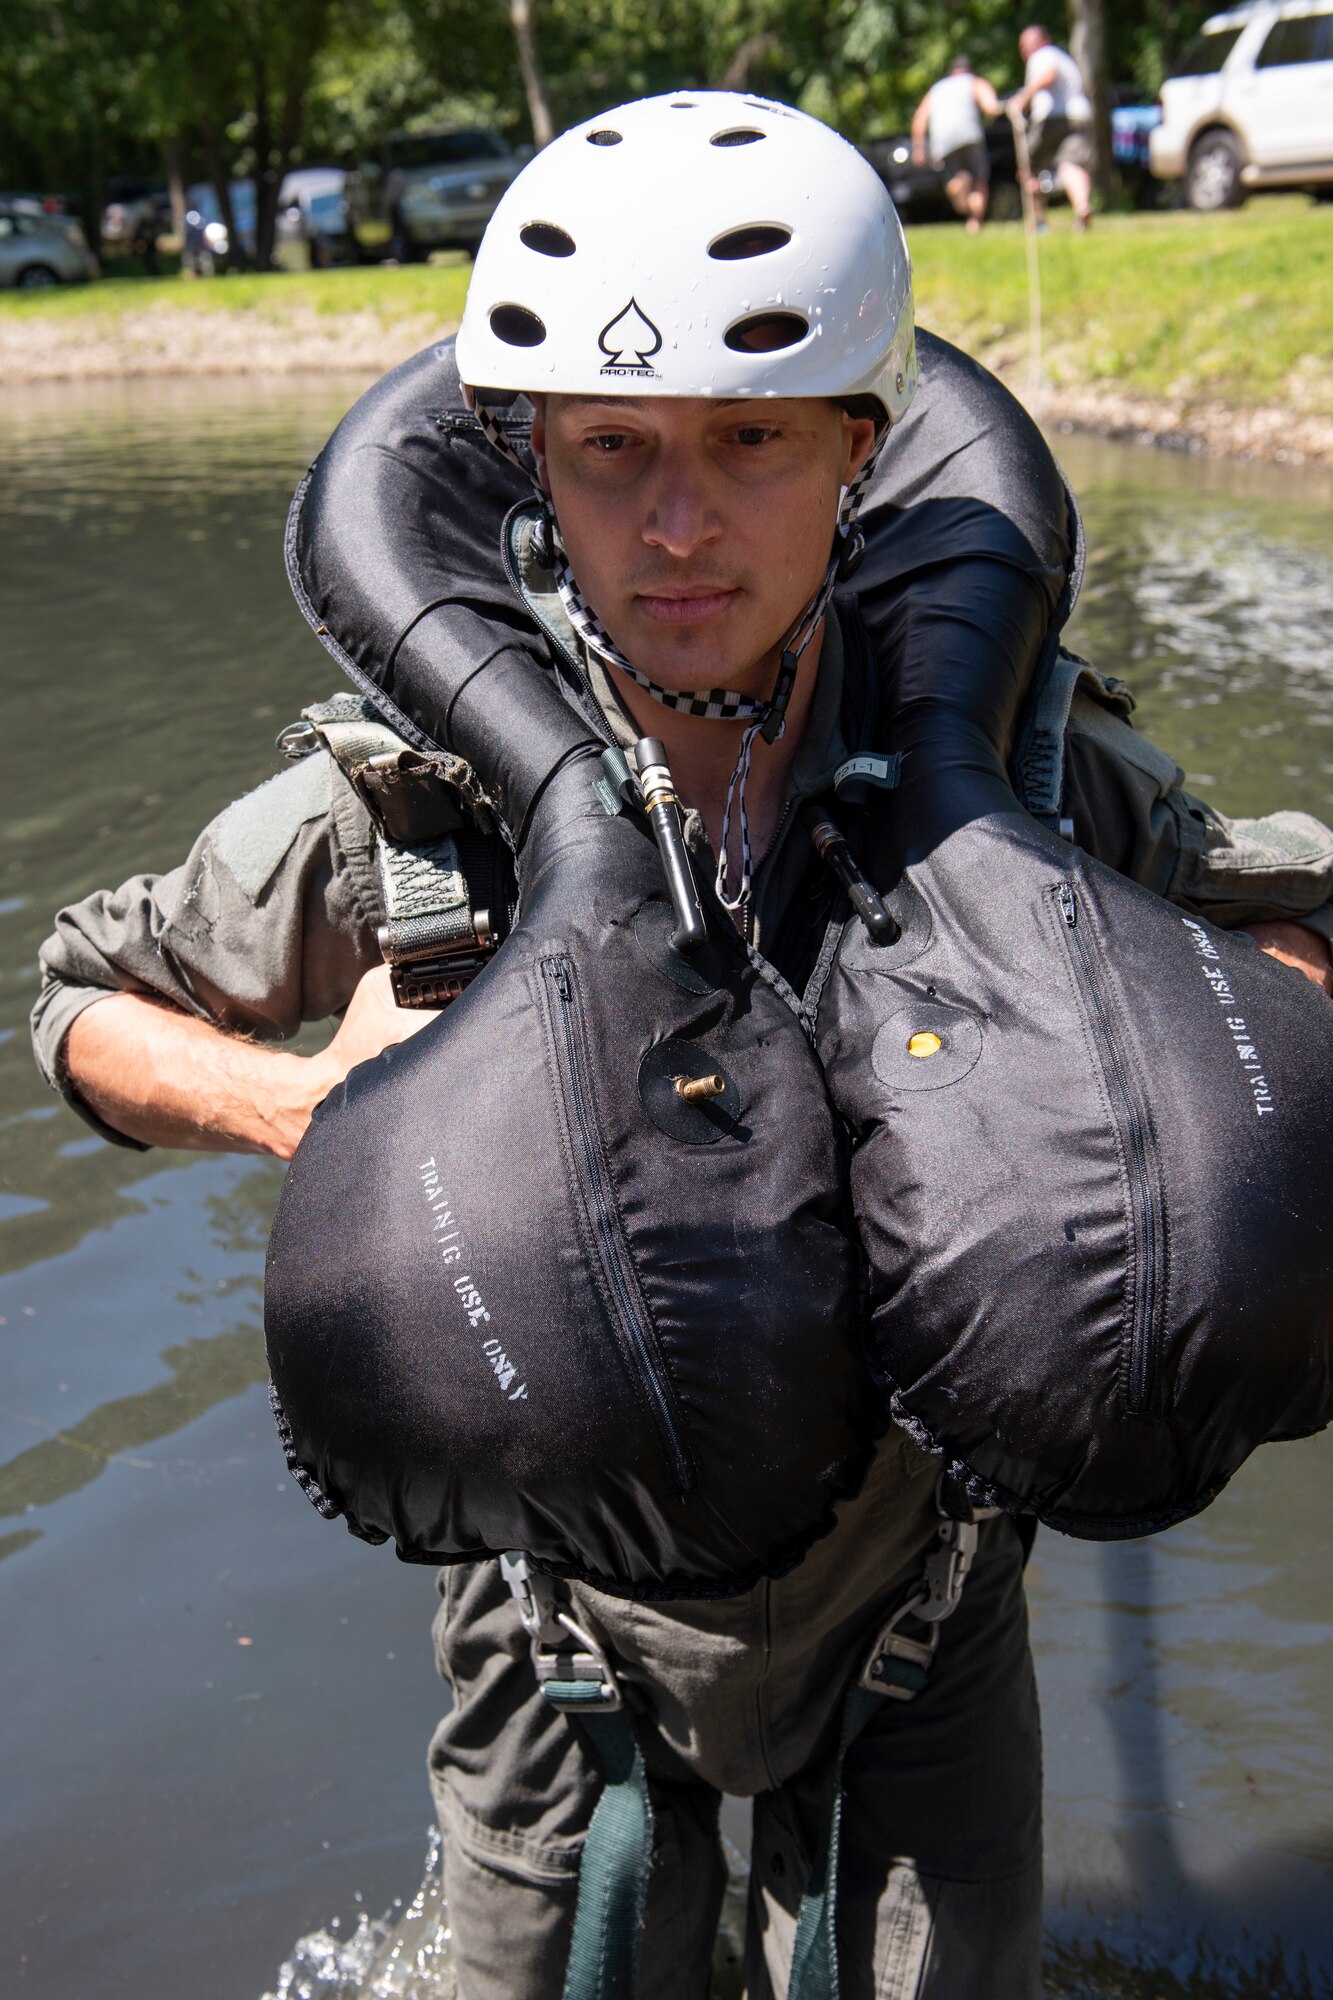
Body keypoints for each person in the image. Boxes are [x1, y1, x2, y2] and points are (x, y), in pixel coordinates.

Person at [30, 92, 1333, 2000]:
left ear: (857, 458)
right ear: (529, 468)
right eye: (611, 451)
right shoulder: (414, 810)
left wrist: (1186, 1075)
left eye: (748, 444)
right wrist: (302, 1108)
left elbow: (1288, 940)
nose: (678, 523)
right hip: (557, 1637)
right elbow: (77, 1002)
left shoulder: (1026, 783)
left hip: (922, 1620)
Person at [1007, 23, 1095, 231]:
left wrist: (1023, 97)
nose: (1026, 49)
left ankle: (1038, 222)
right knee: (1071, 164)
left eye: (1029, 44)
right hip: (1080, 115)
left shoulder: (1042, 56)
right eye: (1023, 45)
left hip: (1051, 118)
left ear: (1044, 41)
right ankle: (1082, 208)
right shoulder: (1064, 57)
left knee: (1028, 168)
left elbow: (1048, 75)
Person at [911, 57, 1001, 234]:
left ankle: (958, 182)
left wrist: (919, 147)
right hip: (969, 135)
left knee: (960, 182)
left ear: (952, 72)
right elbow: (990, 104)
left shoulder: (937, 88)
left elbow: (920, 117)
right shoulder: (973, 81)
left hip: (943, 142)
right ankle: (975, 222)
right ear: (969, 70)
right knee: (980, 180)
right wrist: (997, 110)